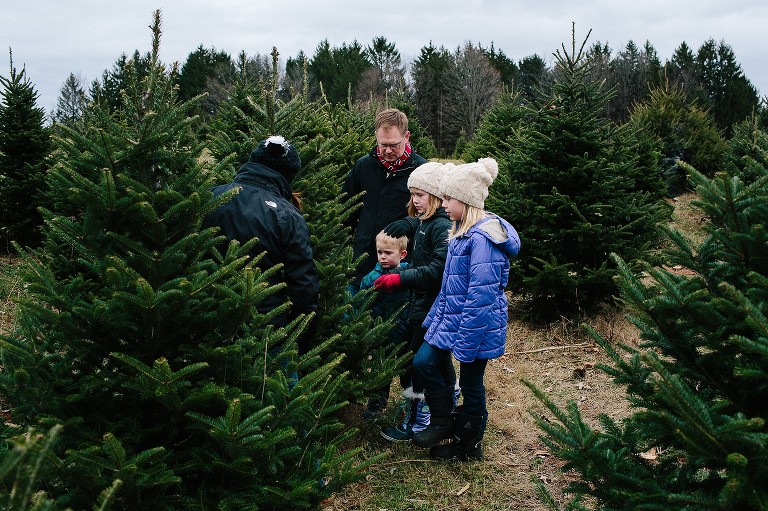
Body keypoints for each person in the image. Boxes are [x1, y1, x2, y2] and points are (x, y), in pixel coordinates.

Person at [411, 157, 520, 461]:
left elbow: (480, 298)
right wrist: (432, 322)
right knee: (423, 362)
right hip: (452, 320)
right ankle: (443, 420)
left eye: (448, 198)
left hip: (476, 328)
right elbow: (450, 287)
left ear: (466, 200)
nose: (443, 203)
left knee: (472, 384)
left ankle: (468, 446)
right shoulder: (460, 230)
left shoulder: (483, 240)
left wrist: (467, 343)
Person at [202, 135, 319, 355]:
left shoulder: (211, 197)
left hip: (206, 320)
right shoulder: (286, 214)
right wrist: (300, 340)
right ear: (287, 176)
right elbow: (303, 286)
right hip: (266, 332)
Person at [372, 162, 456, 443]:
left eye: (419, 195)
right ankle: (447, 398)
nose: (414, 201)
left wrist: (399, 277)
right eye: (412, 195)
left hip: (432, 305)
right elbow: (419, 225)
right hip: (424, 303)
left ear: (435, 196)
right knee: (435, 359)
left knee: (416, 363)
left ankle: (418, 419)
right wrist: (410, 221)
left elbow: (437, 269)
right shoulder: (427, 222)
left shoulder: (441, 226)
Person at [343, 108, 427, 289]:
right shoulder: (364, 166)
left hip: (402, 260)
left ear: (407, 137)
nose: (387, 151)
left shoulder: (422, 170)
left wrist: (410, 223)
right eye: (382, 145)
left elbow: (436, 212)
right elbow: (347, 208)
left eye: (394, 145)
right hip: (364, 255)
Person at [358, 230, 410, 418]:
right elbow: (361, 302)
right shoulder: (371, 278)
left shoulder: (408, 276)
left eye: (388, 253)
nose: (383, 257)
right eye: (380, 252)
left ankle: (411, 403)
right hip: (380, 334)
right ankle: (376, 405)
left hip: (403, 330)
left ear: (402, 254)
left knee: (407, 370)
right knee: (381, 369)